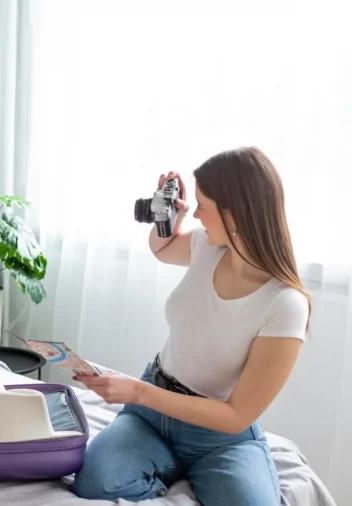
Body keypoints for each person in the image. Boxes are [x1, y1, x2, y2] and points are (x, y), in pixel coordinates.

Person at [72, 147, 310, 505]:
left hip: (218, 435)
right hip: (152, 414)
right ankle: (169, 467)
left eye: (202, 205)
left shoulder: (285, 304)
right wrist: (168, 217)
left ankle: (186, 468)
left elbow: (236, 416)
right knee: (96, 483)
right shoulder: (207, 247)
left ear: (234, 215)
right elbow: (162, 249)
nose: (196, 214)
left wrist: (136, 392)